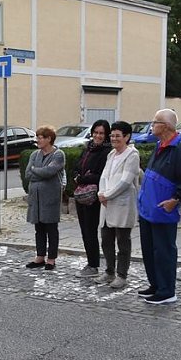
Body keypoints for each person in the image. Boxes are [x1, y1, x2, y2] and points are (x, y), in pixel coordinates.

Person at [137, 108, 181, 305]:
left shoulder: (179, 149)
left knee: (164, 251)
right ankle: (155, 284)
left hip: (163, 209)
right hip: (149, 209)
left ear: (166, 126)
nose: (152, 125)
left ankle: (166, 290)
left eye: (155, 122)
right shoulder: (159, 145)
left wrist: (175, 200)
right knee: (149, 249)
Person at [94, 121, 140, 289]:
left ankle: (122, 274)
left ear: (127, 137)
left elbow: (125, 182)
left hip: (121, 204)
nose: (114, 138)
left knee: (122, 240)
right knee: (106, 239)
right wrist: (101, 193)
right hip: (106, 203)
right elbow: (104, 176)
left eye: (117, 136)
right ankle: (109, 271)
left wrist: (108, 195)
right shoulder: (111, 154)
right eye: (112, 135)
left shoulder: (132, 155)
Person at [72, 119, 111, 278]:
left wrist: (82, 179)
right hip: (82, 196)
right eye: (96, 132)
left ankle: (93, 264)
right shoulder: (88, 148)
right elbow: (77, 166)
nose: (98, 136)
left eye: (101, 133)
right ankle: (90, 261)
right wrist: (77, 175)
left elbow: (101, 175)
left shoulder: (106, 152)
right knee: (84, 231)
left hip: (94, 197)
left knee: (90, 231)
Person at [24, 126, 66, 271]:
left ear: (49, 139)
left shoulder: (58, 154)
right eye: (37, 137)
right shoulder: (34, 155)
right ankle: (40, 256)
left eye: (41, 137)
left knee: (51, 228)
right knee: (39, 227)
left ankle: (51, 259)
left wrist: (36, 170)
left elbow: (50, 171)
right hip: (36, 198)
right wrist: (37, 172)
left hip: (50, 198)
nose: (38, 140)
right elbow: (27, 174)